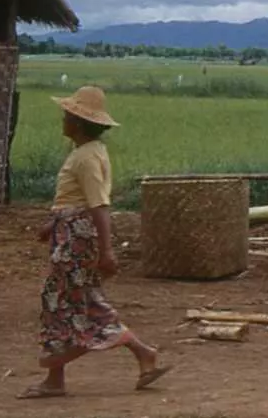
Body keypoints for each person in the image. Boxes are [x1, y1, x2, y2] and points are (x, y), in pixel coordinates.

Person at [18, 85, 172, 399]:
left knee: (64, 303)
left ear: (77, 122)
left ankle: (58, 376)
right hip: (72, 233)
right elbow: (80, 202)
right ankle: (140, 355)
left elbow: (99, 205)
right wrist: (54, 224)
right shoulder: (89, 153)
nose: (62, 120)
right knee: (74, 301)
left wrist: (107, 249)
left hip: (77, 240)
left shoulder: (85, 158)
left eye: (66, 115)